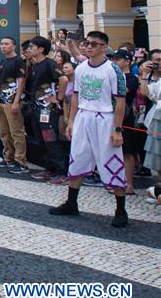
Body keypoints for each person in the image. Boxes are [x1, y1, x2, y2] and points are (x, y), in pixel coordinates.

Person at [50, 31, 129, 227]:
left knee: (111, 161)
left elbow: (120, 101)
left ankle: (120, 209)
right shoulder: (82, 68)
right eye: (88, 43)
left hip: (105, 118)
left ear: (104, 47)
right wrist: (71, 122)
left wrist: (117, 129)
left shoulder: (113, 70)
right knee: (78, 158)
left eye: (95, 44)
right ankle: (71, 202)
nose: (90, 46)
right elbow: (76, 96)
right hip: (84, 116)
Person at [21, 36, 67, 184]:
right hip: (36, 108)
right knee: (41, 140)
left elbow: (63, 79)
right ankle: (49, 168)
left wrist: (58, 99)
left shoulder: (50, 64)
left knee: (51, 140)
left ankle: (62, 172)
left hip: (48, 110)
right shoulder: (34, 64)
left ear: (41, 49)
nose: (29, 49)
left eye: (32, 47)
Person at [0, 36, 27, 173]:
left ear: (14, 46)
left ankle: (21, 161)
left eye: (6, 44)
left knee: (16, 132)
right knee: (4, 132)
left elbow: (21, 82)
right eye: (2, 44)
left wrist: (16, 101)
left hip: (11, 102)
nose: (3, 46)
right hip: (0, 101)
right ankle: (9, 157)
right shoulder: (3, 61)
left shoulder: (19, 61)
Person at [113, 50, 141, 195]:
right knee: (114, 151)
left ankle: (129, 184)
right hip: (112, 117)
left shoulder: (131, 78)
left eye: (118, 60)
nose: (115, 62)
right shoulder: (113, 76)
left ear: (127, 61)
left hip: (126, 119)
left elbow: (122, 92)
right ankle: (117, 181)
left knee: (127, 152)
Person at [139, 50, 161, 204]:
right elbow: (146, 92)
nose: (159, 63)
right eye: (156, 60)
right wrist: (144, 76)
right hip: (157, 119)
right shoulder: (157, 81)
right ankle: (158, 190)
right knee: (157, 158)